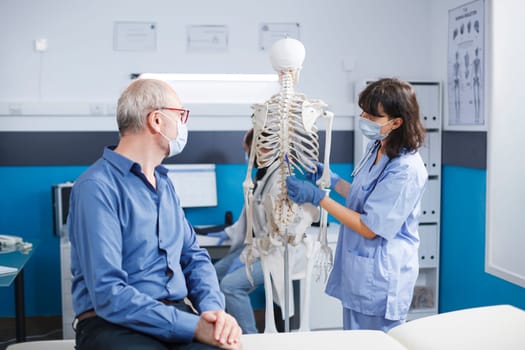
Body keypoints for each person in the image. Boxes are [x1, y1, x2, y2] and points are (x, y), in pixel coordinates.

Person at [68, 78, 242, 350]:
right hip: (115, 324)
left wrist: (213, 311)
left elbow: (194, 257)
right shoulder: (96, 187)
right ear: (157, 121)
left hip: (175, 315)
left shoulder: (164, 185)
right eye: (181, 115)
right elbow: (108, 293)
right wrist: (193, 326)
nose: (184, 125)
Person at [286, 78, 427, 332]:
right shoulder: (378, 147)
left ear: (396, 122)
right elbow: (365, 200)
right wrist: (333, 180)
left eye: (372, 115)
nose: (363, 117)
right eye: (363, 111)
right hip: (361, 271)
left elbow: (370, 226)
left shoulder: (405, 170)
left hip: (381, 278)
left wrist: (319, 198)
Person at [208, 128, 318, 334]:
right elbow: (250, 216)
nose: (247, 154)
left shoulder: (280, 183)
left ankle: (251, 339)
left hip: (278, 253)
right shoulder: (263, 177)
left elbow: (279, 234)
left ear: (264, 148)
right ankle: (222, 331)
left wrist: (244, 258)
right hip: (260, 248)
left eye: (248, 149)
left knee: (230, 286)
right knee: (212, 275)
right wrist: (229, 233)